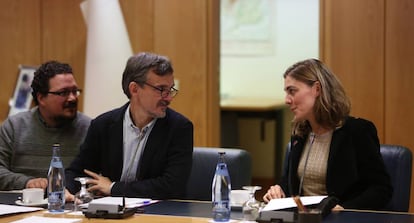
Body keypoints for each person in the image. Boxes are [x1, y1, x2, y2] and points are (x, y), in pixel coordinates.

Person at [263, 59, 392, 210]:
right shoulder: (300, 132)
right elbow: (291, 181)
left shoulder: (357, 131)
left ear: (317, 89)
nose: (287, 100)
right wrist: (278, 189)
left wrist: (344, 208)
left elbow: (381, 189)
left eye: (292, 91)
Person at [65, 52, 194, 200]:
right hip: (110, 213)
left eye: (170, 89)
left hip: (159, 213)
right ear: (134, 89)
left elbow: (172, 186)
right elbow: (78, 171)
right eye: (161, 90)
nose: (169, 98)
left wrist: (113, 188)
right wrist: (66, 189)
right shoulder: (103, 125)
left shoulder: (179, 127)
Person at [0, 61, 91, 190]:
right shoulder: (14, 127)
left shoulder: (90, 128)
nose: (72, 98)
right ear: (41, 98)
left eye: (75, 91)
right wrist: (27, 183)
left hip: (72, 206)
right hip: (22, 205)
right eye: (63, 93)